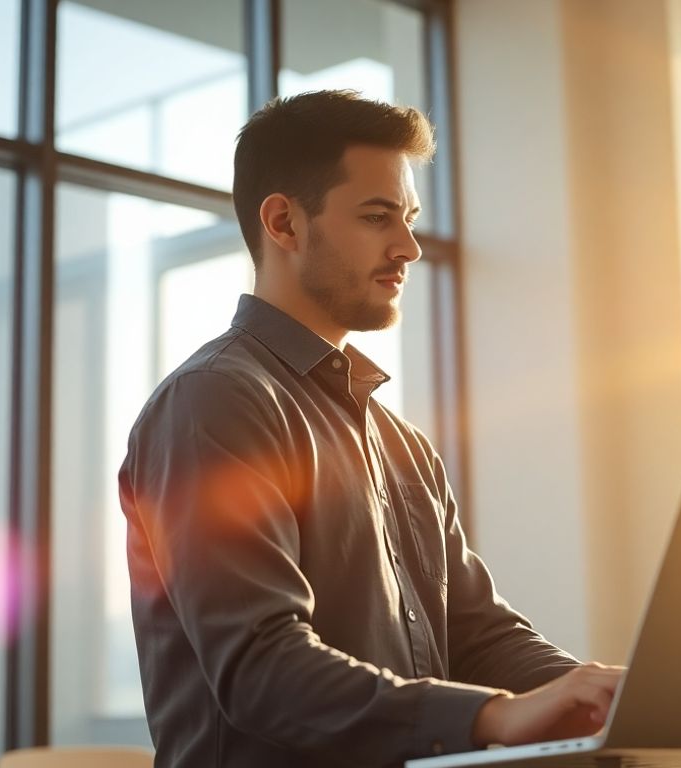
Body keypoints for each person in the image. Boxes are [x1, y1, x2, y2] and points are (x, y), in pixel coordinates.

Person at [118, 89, 623, 768]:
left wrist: (603, 693)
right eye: (377, 217)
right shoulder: (214, 403)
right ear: (284, 223)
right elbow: (263, 668)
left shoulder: (400, 442)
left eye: (409, 218)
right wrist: (493, 715)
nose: (409, 247)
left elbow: (479, 635)